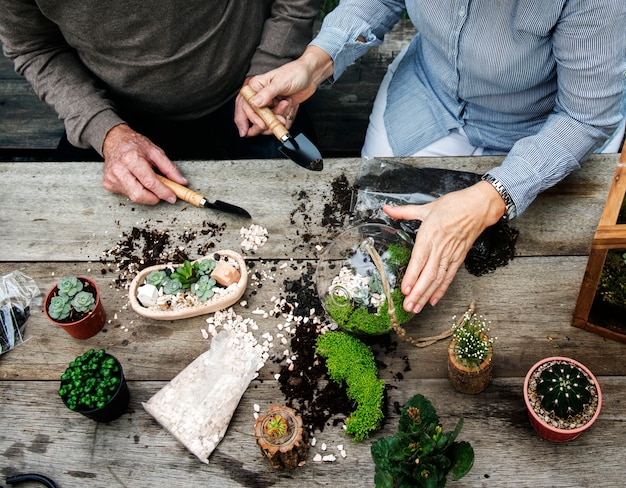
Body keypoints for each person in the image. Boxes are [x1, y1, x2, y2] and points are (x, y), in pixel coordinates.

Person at [239, 0, 626, 315]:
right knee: (377, 223)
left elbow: (585, 116)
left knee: (510, 277)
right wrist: (314, 63)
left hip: (537, 125)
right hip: (426, 97)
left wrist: (492, 198)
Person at [0, 0, 320, 205]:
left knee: (305, 204)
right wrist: (104, 129)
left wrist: (271, 62)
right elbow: (33, 46)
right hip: (115, 112)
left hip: (248, 92)